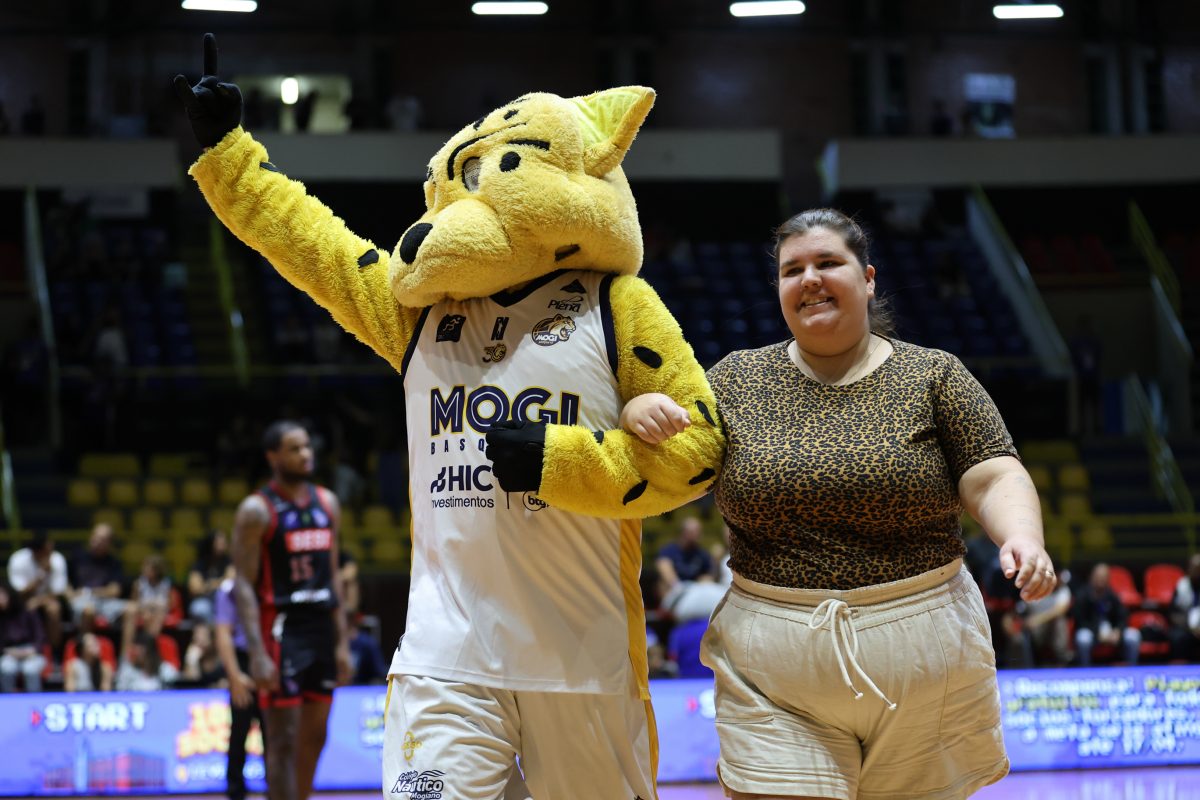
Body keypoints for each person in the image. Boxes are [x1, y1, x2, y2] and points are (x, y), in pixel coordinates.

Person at [621, 208, 1055, 799]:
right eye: (791, 269)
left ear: (868, 278)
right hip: (773, 664)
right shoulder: (735, 380)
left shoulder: (935, 374)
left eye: (828, 262)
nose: (810, 279)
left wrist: (1022, 537)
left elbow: (992, 473)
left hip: (926, 657)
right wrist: (636, 413)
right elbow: (673, 464)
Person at [230, 420, 351, 800]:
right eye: (295, 448)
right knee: (282, 738)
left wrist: (342, 643)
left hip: (321, 628)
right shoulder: (256, 510)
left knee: (315, 736)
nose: (305, 454)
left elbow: (333, 576)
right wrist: (256, 651)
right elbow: (243, 584)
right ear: (273, 456)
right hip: (281, 629)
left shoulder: (327, 503)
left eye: (307, 446)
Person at [214, 576, 267, 800]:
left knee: (274, 734)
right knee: (238, 732)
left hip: (270, 659)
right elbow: (223, 632)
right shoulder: (228, 590)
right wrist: (235, 676)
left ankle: (278, 791)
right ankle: (235, 792)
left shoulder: (270, 581)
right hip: (242, 663)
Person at [7, 530, 70, 651]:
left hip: (47, 599)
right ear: (36, 551)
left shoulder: (57, 559)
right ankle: (28, 646)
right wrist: (41, 576)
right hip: (22, 600)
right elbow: (19, 593)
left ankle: (54, 652)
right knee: (26, 608)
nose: (50, 553)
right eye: (47, 550)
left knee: (54, 609)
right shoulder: (18, 559)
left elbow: (58, 592)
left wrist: (38, 600)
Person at [1074, 562, 1140, 666]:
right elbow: (1080, 622)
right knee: (1083, 638)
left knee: (1133, 636)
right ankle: (1085, 671)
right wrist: (1097, 633)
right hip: (1093, 633)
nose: (1101, 580)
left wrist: (1118, 631)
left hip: (1112, 634)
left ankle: (1131, 670)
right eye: (1098, 576)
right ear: (1092, 577)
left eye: (1104, 577)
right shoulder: (1083, 595)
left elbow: (1123, 617)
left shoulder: (1112, 595)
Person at [68, 522, 127, 627]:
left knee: (132, 609)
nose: (97, 540)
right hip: (82, 602)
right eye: (95, 536)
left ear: (109, 543)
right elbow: (64, 583)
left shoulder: (114, 563)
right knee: (89, 610)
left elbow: (114, 591)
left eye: (102, 539)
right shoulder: (77, 557)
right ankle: (85, 637)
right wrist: (71, 596)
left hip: (105, 602)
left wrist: (88, 592)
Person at [0, 580, 47, 692]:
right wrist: (7, 652)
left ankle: (34, 699)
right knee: (6, 668)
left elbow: (40, 637)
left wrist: (33, 650)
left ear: (9, 594)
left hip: (31, 652)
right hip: (8, 653)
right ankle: (7, 699)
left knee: (30, 669)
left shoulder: (28, 611)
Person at [656, 517, 714, 589]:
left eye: (698, 532)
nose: (696, 535)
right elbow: (663, 566)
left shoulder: (702, 554)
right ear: (684, 532)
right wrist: (677, 587)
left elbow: (709, 575)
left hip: (694, 589)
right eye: (692, 532)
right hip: (674, 589)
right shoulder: (669, 550)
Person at [188, 529, 233, 622]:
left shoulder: (229, 562)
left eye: (224, 542)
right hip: (206, 601)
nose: (223, 545)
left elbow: (230, 582)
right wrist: (219, 583)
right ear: (210, 544)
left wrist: (209, 584)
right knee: (199, 608)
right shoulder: (200, 564)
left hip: (225, 600)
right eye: (219, 543)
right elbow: (195, 589)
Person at [1169, 554, 1200, 662]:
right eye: (1195, 568)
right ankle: (1180, 668)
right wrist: (1191, 628)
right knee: (1178, 637)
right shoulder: (1182, 586)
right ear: (1189, 569)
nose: (1197, 572)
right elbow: (1173, 613)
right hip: (1185, 627)